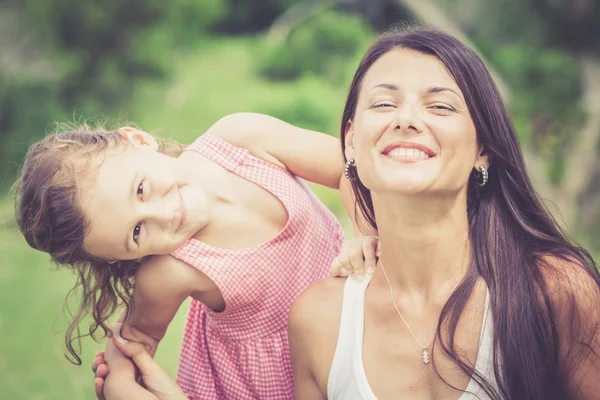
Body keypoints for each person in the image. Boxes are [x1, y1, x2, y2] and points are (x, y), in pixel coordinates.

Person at [288, 28, 600, 400]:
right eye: (384, 104)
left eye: (441, 106)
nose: (405, 119)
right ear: (351, 141)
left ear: (482, 148)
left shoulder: (553, 290)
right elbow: (230, 138)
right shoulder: (320, 318)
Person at [15, 113, 379, 400]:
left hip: (353, 326)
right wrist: (120, 384)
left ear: (138, 141)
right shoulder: (170, 271)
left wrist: (365, 231)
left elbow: (347, 168)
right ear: (117, 258)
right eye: (137, 233)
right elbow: (137, 335)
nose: (163, 215)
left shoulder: (239, 139)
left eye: (140, 190)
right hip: (263, 384)